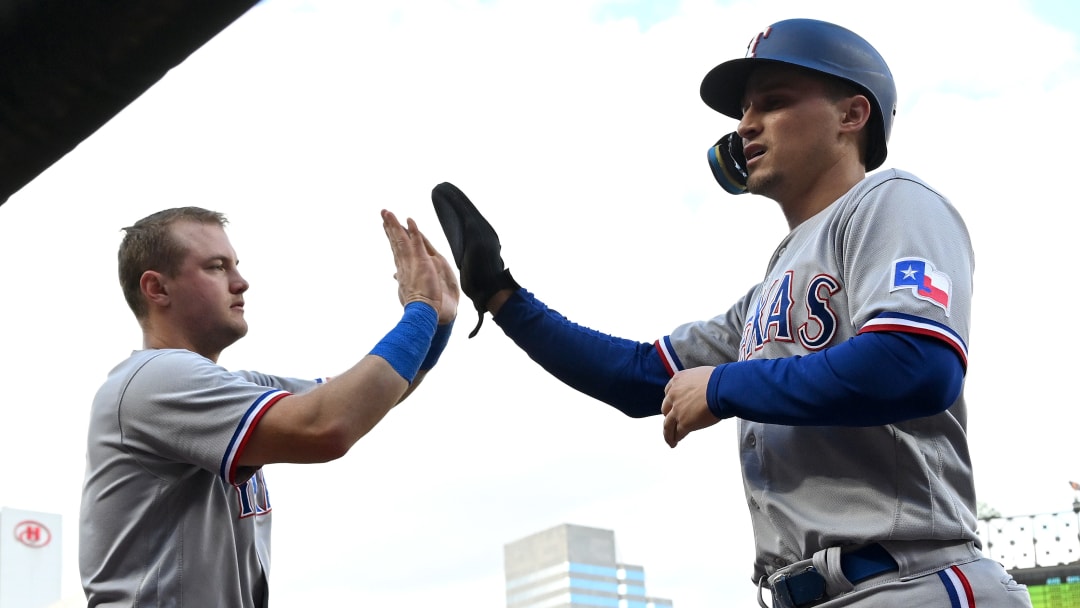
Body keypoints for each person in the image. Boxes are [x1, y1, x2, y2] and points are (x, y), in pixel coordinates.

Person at [431, 18, 1033, 608]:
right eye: (744, 111)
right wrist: (504, 297)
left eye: (772, 102)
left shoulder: (894, 201)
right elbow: (641, 377)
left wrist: (724, 385)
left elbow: (915, 362)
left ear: (852, 116)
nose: (745, 125)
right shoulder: (771, 286)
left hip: (914, 583)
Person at [79, 206, 458, 607]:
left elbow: (363, 397)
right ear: (157, 289)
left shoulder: (226, 386)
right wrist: (419, 308)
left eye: (235, 266)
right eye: (216, 267)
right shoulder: (155, 379)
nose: (240, 282)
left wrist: (436, 322)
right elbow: (328, 427)